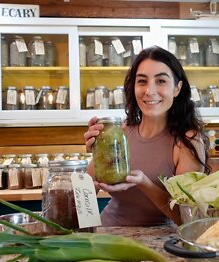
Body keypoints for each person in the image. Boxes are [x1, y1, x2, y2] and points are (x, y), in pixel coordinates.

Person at [84, 46, 211, 226]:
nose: (149, 91)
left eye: (161, 81)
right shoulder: (121, 132)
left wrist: (144, 183)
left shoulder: (187, 142)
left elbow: (189, 218)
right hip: (107, 233)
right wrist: (97, 155)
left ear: (177, 88)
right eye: (142, 81)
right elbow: (83, 197)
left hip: (159, 242)